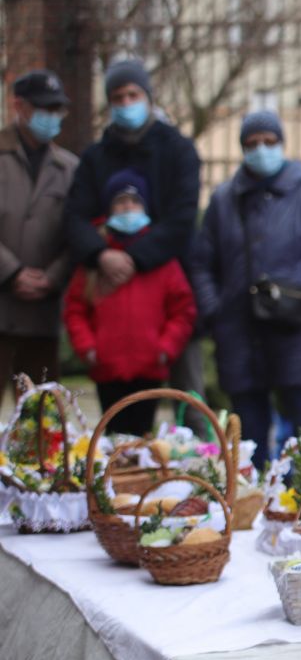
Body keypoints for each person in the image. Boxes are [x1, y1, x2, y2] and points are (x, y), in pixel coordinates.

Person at [190, 111, 301, 468]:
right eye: (252, 143)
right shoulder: (224, 200)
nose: (261, 149)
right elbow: (202, 263)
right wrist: (215, 312)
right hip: (239, 334)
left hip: (298, 334)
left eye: (269, 141)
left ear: (281, 143)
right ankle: (254, 513)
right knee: (248, 445)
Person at [64, 60, 205, 431]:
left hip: (170, 282)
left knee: (190, 405)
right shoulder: (96, 157)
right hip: (109, 293)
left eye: (133, 95)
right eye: (117, 97)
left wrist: (133, 258)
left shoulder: (178, 149)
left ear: (147, 96)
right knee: (117, 424)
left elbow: (182, 219)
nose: (126, 103)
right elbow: (74, 218)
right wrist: (102, 255)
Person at [63, 170, 197, 435]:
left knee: (143, 439)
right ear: (109, 209)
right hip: (107, 366)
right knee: (113, 437)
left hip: (149, 366)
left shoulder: (161, 259)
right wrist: (88, 347)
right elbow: (75, 309)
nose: (128, 207)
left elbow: (183, 309)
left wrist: (164, 348)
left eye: (134, 202)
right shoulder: (95, 260)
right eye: (120, 202)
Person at [0, 70, 77, 408]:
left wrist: (53, 277)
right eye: (44, 108)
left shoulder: (69, 168)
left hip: (42, 315)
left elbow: (78, 233)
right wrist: (12, 272)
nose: (51, 117)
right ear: (18, 105)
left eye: (57, 109)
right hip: (2, 303)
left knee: (42, 423)